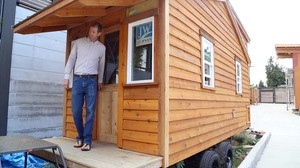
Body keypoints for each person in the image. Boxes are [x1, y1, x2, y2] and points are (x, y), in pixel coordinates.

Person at [64, 22, 105, 151]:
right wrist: (66, 77)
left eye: (93, 32)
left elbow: (101, 65)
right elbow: (71, 59)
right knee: (75, 111)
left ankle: (87, 141)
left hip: (92, 81)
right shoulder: (79, 43)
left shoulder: (101, 48)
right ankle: (80, 137)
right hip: (77, 79)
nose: (90, 33)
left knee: (90, 112)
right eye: (90, 30)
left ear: (99, 33)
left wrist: (101, 80)